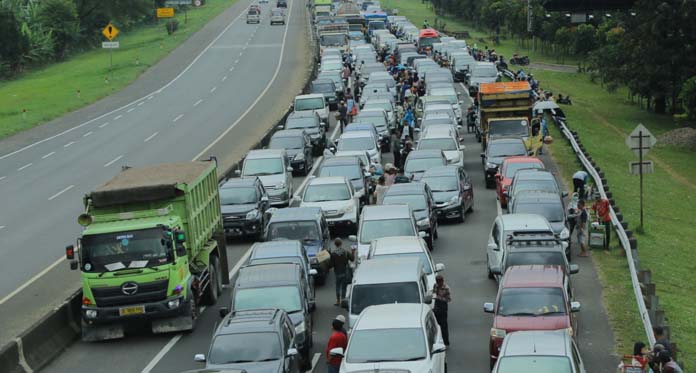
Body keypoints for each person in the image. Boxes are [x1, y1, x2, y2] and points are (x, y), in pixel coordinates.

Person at [329, 238, 354, 306]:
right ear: (341, 243)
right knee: (344, 287)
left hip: (337, 273)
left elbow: (331, 265)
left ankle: (338, 301)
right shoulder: (345, 252)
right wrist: (353, 252)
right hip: (345, 272)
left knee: (338, 287)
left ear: (334, 244)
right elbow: (352, 259)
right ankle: (343, 301)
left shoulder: (333, 254)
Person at [432, 274, 451, 346]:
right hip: (436, 307)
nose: (439, 284)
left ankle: (446, 342)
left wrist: (439, 298)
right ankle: (438, 342)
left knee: (444, 326)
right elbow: (434, 293)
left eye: (440, 282)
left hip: (443, 308)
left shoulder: (446, 288)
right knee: (436, 325)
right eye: (437, 282)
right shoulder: (435, 286)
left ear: (442, 281)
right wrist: (433, 295)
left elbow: (449, 299)